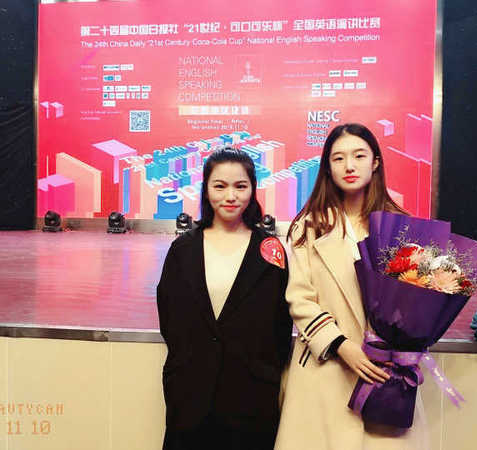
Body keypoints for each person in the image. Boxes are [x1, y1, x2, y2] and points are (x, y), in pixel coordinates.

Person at [275, 123, 429, 449]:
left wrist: (401, 344)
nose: (349, 166)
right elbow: (300, 299)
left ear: (375, 162)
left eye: (359, 156)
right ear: (328, 168)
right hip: (325, 367)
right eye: (338, 158)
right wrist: (342, 345)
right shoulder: (309, 226)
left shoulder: (401, 226)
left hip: (384, 371)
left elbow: (415, 299)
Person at [157, 148, 292, 450]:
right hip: (191, 395)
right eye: (220, 186)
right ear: (206, 189)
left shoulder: (270, 251)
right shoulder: (183, 249)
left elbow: (280, 325)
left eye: (240, 186)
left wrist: (264, 372)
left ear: (252, 189)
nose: (230, 196)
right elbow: (170, 318)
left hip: (251, 397)